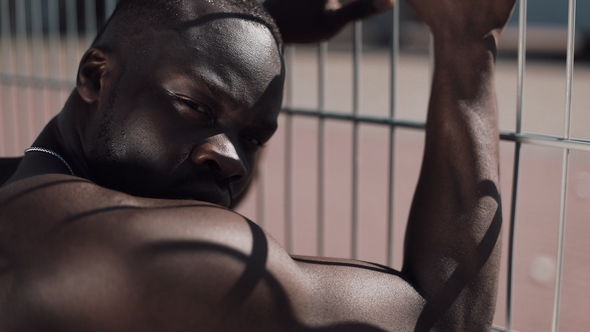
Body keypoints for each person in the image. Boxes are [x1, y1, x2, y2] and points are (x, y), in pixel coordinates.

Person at [0, 0, 515, 330]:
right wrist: (466, 44)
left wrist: (260, 16)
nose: (232, 162)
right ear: (94, 75)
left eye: (251, 139)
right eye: (197, 108)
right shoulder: (174, 256)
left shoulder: (22, 193)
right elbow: (446, 320)